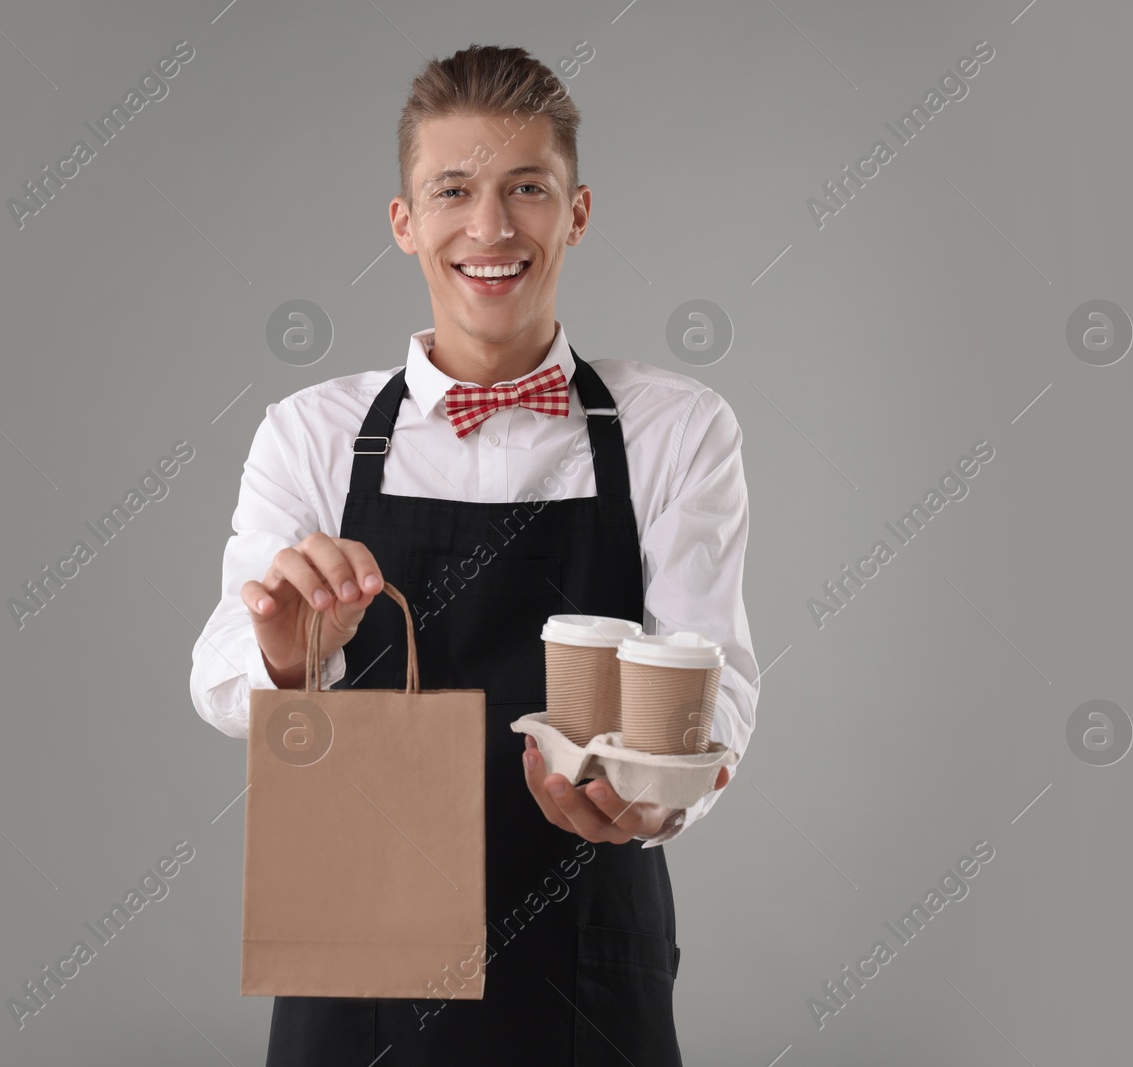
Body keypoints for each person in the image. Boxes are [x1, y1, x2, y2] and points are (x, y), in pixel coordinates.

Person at [190, 43, 759, 1067]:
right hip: (361, 941)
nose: (489, 227)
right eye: (452, 190)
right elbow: (219, 671)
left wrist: (659, 790)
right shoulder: (310, 432)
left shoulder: (675, 427)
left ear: (575, 212)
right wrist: (287, 654)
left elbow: (712, 676)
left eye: (526, 189)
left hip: (588, 935)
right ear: (404, 222)